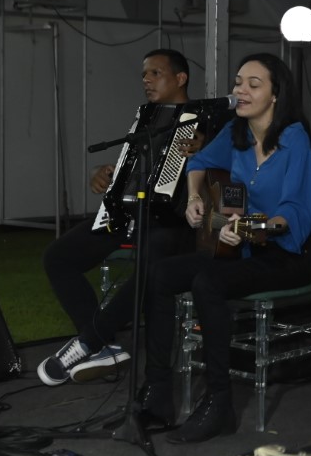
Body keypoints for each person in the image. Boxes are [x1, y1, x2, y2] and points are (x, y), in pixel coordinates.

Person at [136, 52, 311, 444]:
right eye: (238, 82)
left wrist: (251, 228)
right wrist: (193, 197)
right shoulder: (237, 131)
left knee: (209, 282)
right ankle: (158, 393)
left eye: (254, 84)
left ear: (275, 94)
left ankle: (219, 403)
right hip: (246, 249)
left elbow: (294, 212)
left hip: (289, 253)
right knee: (161, 273)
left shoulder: (294, 138)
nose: (241, 90)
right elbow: (198, 161)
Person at [38, 48, 203, 386]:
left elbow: (220, 165)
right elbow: (130, 168)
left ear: (180, 78)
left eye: (155, 73)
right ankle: (103, 347)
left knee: (150, 267)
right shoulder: (146, 118)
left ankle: (90, 341)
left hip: (174, 223)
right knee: (58, 257)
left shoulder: (204, 120)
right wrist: (102, 174)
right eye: (144, 74)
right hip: (129, 213)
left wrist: (206, 147)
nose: (146, 80)